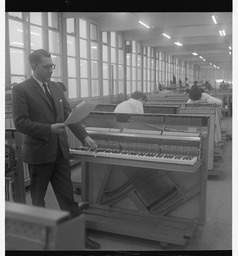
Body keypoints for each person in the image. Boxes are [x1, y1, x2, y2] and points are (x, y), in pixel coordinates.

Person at [12, 49, 100, 250]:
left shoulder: (56, 88)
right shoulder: (21, 90)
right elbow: (21, 123)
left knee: (68, 199)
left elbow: (70, 115)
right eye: (47, 67)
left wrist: (84, 136)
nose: (51, 70)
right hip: (39, 153)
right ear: (34, 67)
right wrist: (49, 129)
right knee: (38, 200)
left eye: (52, 66)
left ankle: (78, 238)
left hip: (60, 152)